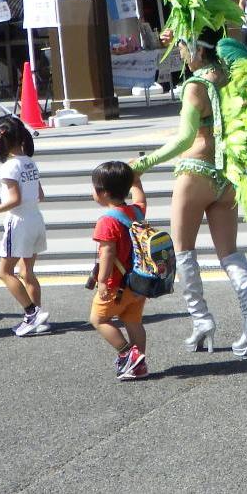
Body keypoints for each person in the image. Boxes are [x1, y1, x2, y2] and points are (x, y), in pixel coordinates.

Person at [134, 27, 247, 357]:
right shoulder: (228, 76)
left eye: (182, 45)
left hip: (195, 172)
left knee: (183, 251)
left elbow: (184, 139)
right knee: (230, 253)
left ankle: (202, 320)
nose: (179, 51)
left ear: (197, 49)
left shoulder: (195, 85)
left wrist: (143, 163)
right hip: (227, 176)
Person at [0, 116, 49, 337]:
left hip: (19, 222)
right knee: (27, 272)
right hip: (36, 219)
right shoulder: (29, 162)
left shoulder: (8, 167)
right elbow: (40, 195)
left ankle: (31, 313)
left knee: (4, 272)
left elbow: (14, 200)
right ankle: (38, 319)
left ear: (0, 140)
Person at [88, 161, 150, 381]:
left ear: (103, 193)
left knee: (99, 320)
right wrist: (136, 180)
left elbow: (107, 253)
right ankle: (139, 365)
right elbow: (141, 198)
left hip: (116, 285)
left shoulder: (107, 221)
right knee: (133, 322)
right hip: (139, 282)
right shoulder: (136, 211)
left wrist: (103, 281)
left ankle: (127, 354)